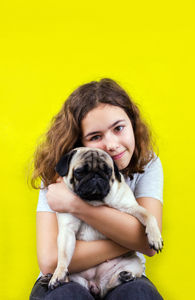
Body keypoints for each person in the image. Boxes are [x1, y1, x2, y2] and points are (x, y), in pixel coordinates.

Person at [30, 78, 164, 299]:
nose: (111, 145)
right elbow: (50, 261)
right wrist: (129, 239)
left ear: (133, 124)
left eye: (119, 128)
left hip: (119, 273)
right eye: (95, 137)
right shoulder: (60, 170)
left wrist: (75, 205)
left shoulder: (147, 164)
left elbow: (150, 242)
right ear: (78, 142)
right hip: (68, 276)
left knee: (138, 294)